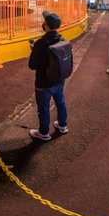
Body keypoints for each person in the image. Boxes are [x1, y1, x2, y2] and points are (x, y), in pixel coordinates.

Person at [27, 11, 69, 141]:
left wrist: (34, 50)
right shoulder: (62, 39)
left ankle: (44, 133)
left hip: (44, 83)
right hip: (59, 80)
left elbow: (32, 65)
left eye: (44, 21)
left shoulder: (41, 43)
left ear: (46, 25)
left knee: (44, 108)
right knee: (60, 102)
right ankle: (62, 125)